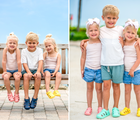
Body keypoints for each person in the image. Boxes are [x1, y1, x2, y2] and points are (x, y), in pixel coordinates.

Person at [81, 5, 124, 119]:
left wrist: (138, 39)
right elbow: (92, 36)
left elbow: (131, 36)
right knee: (106, 86)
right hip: (105, 65)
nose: (111, 20)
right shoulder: (101, 30)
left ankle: (115, 107)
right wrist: (84, 40)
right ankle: (105, 109)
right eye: (108, 18)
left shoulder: (120, 29)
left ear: (117, 18)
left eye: (113, 18)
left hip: (118, 63)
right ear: (103, 18)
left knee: (116, 86)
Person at [80, 18, 103, 116]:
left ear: (99, 31)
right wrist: (81, 69)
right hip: (88, 69)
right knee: (89, 89)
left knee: (99, 90)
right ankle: (89, 107)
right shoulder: (86, 44)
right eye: (91, 30)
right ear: (87, 32)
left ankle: (100, 107)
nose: (93, 32)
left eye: (95, 30)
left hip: (100, 70)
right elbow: (83, 58)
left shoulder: (102, 42)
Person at [119, 19, 140, 117]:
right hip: (126, 72)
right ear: (124, 32)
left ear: (136, 34)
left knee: (137, 91)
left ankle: (139, 108)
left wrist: (132, 70)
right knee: (127, 91)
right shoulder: (123, 43)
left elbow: (139, 58)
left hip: (136, 71)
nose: (130, 35)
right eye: (128, 32)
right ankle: (127, 108)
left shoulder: (136, 44)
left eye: (133, 33)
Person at [21, 32, 43, 110]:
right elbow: (24, 63)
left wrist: (38, 71)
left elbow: (40, 61)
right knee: (26, 76)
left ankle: (35, 97)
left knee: (38, 76)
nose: (31, 45)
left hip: (36, 70)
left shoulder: (39, 50)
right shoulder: (24, 51)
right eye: (29, 43)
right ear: (26, 43)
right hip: (27, 69)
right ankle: (26, 98)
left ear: (37, 43)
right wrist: (29, 72)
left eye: (34, 43)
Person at [2, 32, 22, 102]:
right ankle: (9, 92)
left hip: (16, 70)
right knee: (6, 77)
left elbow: (19, 61)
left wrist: (19, 71)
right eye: (10, 43)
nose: (12, 44)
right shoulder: (5, 50)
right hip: (8, 70)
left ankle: (16, 93)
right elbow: (4, 61)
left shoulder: (17, 50)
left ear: (16, 45)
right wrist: (5, 71)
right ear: (7, 44)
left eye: (14, 43)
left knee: (17, 78)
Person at [42, 34, 61, 99]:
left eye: (49, 45)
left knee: (59, 74)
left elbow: (58, 64)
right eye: (46, 46)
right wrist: (42, 71)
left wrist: (55, 72)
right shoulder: (45, 54)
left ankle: (56, 90)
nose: (48, 47)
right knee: (47, 74)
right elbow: (41, 63)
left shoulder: (58, 55)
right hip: (47, 70)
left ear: (54, 45)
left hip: (55, 70)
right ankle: (48, 91)